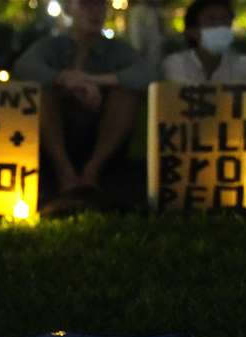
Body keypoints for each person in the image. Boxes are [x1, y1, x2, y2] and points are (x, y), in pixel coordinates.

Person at [13, 0, 152, 210]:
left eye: (99, 5)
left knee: (126, 95)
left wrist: (93, 80)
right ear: (70, 9)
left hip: (101, 135)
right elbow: (24, 67)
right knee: (43, 92)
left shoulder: (118, 50)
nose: (94, 11)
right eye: (86, 5)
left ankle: (92, 171)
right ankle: (64, 172)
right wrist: (63, 79)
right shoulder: (51, 46)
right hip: (56, 136)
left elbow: (146, 74)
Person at [161, 0, 246, 83]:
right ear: (192, 31)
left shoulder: (243, 65)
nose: (220, 25)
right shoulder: (176, 64)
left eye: (225, 19)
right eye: (211, 20)